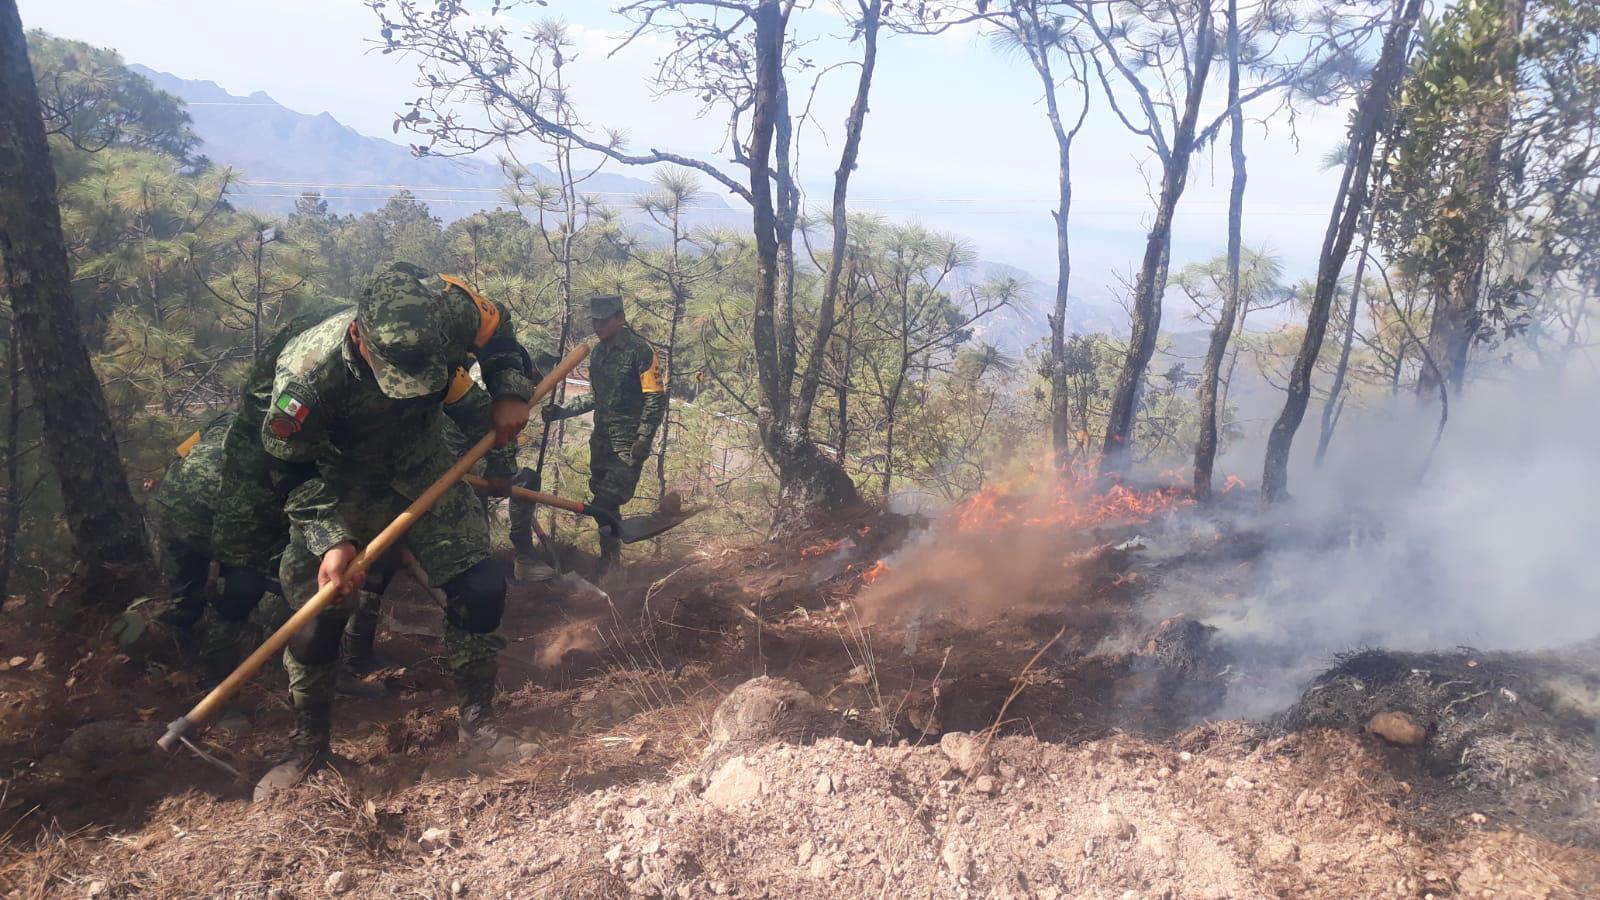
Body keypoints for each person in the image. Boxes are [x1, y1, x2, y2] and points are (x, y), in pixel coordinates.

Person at [254, 262, 533, 799]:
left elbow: (501, 337)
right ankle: (308, 748)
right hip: (338, 489)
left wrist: (509, 391)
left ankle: (478, 724)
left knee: (480, 588)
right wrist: (330, 538)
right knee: (316, 621)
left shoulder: (455, 309)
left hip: (424, 470)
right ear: (359, 333)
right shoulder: (308, 373)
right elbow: (288, 467)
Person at [540, 294, 667, 574]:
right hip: (601, 443)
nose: (598, 325)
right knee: (602, 506)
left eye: (605, 320)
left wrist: (643, 440)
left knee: (605, 502)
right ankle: (611, 563)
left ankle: (610, 564)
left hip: (628, 444)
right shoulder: (597, 353)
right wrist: (561, 411)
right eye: (595, 320)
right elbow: (594, 397)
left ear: (620, 319)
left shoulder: (640, 352)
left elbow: (656, 398)